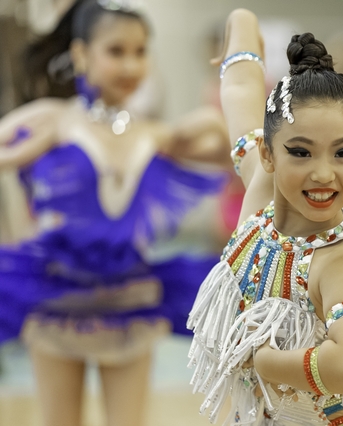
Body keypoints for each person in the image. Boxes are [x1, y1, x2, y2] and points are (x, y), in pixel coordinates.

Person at [0, 1, 231, 425]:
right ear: (81, 54)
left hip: (130, 299)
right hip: (58, 294)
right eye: (116, 51)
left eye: (140, 51)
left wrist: (215, 113)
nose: (130, 64)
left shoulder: (154, 132)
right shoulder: (57, 119)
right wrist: (29, 150)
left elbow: (232, 152)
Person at [187, 9, 343, 425]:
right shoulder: (259, 197)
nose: (323, 173)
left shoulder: (341, 261)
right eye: (301, 152)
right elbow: (239, 88)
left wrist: (265, 361)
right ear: (267, 154)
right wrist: (241, 22)